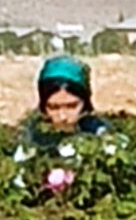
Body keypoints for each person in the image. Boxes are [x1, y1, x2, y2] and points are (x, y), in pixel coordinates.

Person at [11, 54, 123, 186]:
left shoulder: (102, 135)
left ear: (85, 102)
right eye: (53, 107)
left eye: (71, 106)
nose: (62, 116)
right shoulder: (33, 139)